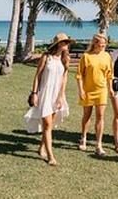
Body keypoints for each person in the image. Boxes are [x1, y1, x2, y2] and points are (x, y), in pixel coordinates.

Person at [24, 33, 73, 166]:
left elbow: (64, 79)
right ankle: (50, 156)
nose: (67, 45)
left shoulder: (65, 59)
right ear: (58, 44)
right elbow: (37, 76)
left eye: (68, 43)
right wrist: (34, 93)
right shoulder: (46, 57)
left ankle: (41, 147)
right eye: (65, 43)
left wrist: (61, 97)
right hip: (45, 94)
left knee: (49, 125)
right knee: (47, 125)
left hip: (57, 95)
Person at [76, 33, 113, 157]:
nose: (102, 45)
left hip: (101, 90)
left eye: (104, 43)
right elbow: (79, 75)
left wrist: (111, 89)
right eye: (100, 43)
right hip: (87, 90)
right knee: (87, 115)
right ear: (95, 43)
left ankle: (98, 145)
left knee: (100, 116)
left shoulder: (107, 56)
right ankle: (83, 138)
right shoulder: (86, 56)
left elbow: (109, 75)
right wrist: (81, 90)